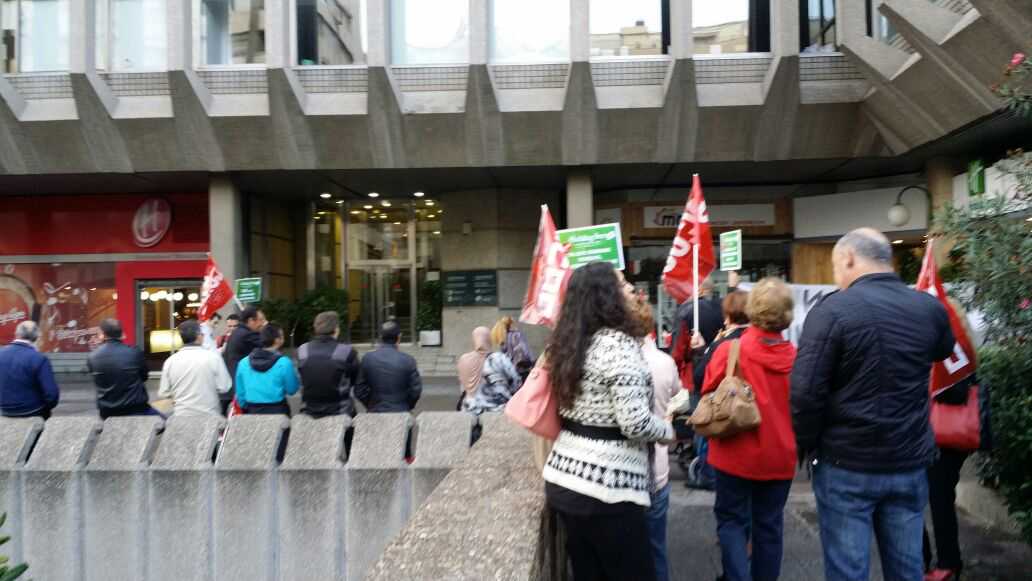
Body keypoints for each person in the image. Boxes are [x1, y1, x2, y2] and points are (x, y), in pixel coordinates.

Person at [791, 228, 955, 581]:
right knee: (908, 568)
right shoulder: (929, 307)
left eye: (836, 266)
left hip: (845, 462)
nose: (837, 276)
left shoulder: (832, 310)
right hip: (908, 461)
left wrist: (806, 443)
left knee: (848, 571)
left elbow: (804, 392)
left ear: (849, 258)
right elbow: (943, 350)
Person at [542, 261, 674, 581]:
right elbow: (635, 424)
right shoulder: (618, 345)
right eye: (622, 283)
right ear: (606, 296)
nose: (630, 288)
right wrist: (668, 429)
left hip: (565, 480)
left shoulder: (568, 343)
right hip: (607, 489)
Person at [701, 278, 798, 581]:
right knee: (769, 527)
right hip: (779, 457)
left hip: (733, 454)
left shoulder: (731, 351)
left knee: (731, 522)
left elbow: (708, 391)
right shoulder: (798, 358)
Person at [923, 299, 980, 581]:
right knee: (935, 498)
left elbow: (954, 392)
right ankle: (939, 562)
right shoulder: (960, 342)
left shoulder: (951, 345)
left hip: (942, 438)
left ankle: (947, 564)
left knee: (938, 499)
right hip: (945, 436)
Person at [634, 298, 682, 581]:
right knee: (656, 548)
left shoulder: (618, 363)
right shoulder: (665, 362)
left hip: (626, 473)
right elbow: (678, 395)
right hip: (658, 468)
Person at [686, 290, 751, 491]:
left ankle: (708, 476)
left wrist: (702, 351)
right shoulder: (755, 339)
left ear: (728, 316)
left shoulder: (724, 344)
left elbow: (701, 377)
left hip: (725, 408)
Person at [157, 320, 232, 417]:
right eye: (202, 333)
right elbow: (225, 386)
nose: (204, 336)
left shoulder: (170, 361)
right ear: (198, 336)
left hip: (181, 417)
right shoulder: (213, 357)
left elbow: (163, 393)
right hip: (210, 417)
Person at [88, 319, 159, 419]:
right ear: (121, 333)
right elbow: (144, 377)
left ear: (102, 334)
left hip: (107, 412)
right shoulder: (134, 352)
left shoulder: (92, 357)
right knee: (166, 424)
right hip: (136, 409)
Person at [297, 311, 359, 418]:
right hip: (341, 411)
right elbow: (355, 380)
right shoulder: (347, 351)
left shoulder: (302, 350)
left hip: (309, 411)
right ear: (336, 329)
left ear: (316, 328)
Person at [354, 321, 422, 413]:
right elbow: (415, 390)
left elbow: (359, 389)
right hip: (401, 412)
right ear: (399, 337)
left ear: (381, 338)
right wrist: (406, 406)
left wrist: (371, 405)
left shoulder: (368, 358)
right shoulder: (408, 360)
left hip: (376, 411)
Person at [670, 277, 724, 392]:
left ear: (700, 290)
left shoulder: (685, 311)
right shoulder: (724, 308)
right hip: (719, 371)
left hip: (693, 373)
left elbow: (677, 351)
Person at [235, 324, 299, 415]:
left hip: (252, 411)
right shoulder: (284, 363)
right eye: (282, 336)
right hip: (278, 412)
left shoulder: (243, 363)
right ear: (277, 340)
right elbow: (292, 390)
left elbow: (240, 395)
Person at [0, 321, 60, 419]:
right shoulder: (39, 358)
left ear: (16, 334)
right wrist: (45, 407)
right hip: (33, 410)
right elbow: (52, 395)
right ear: (37, 336)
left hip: (5, 410)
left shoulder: (1, 354)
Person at [457, 326, 521, 415]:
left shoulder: (463, 359)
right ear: (489, 339)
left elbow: (463, 388)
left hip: (470, 408)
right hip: (498, 407)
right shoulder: (499, 358)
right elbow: (516, 381)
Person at [222, 307, 266, 415]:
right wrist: (267, 329)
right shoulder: (247, 334)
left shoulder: (239, 332)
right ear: (251, 321)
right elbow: (268, 344)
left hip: (235, 382)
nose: (263, 323)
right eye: (261, 320)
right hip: (241, 386)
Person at [490, 316, 536, 384]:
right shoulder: (517, 334)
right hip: (521, 369)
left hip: (509, 371)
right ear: (511, 324)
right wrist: (533, 361)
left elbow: (503, 353)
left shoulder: (502, 337)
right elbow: (525, 350)